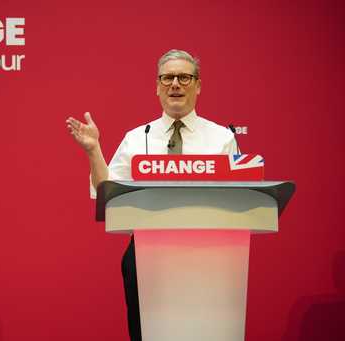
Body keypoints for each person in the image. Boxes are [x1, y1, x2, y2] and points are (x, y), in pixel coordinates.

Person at [66, 49, 237, 341]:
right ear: (157, 87)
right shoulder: (136, 137)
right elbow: (107, 192)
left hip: (207, 256)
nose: (175, 84)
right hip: (146, 254)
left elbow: (234, 200)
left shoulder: (222, 138)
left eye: (184, 77)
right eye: (167, 78)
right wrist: (94, 151)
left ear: (198, 85)